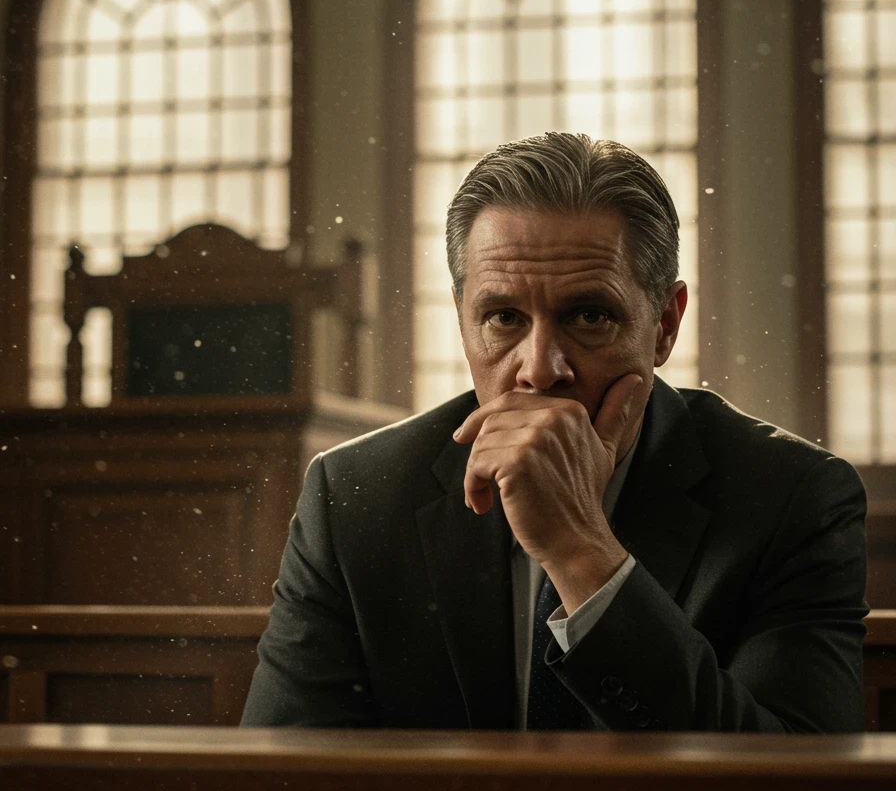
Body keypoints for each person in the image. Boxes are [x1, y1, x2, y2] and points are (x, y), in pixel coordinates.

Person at [241, 133, 869, 732]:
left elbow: (787, 789)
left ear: (665, 326)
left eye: (590, 316)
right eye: (503, 317)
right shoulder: (354, 497)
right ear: (463, 324)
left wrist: (581, 551)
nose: (540, 369)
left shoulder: (793, 498)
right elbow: (283, 785)